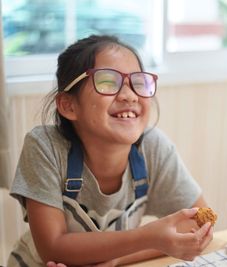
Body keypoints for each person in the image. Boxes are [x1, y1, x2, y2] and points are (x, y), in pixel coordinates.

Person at [7, 35, 213, 267]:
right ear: (68, 105)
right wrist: (148, 237)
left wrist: (115, 258)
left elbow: (201, 223)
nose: (129, 95)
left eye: (138, 82)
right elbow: (54, 248)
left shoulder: (153, 148)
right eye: (107, 82)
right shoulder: (45, 146)